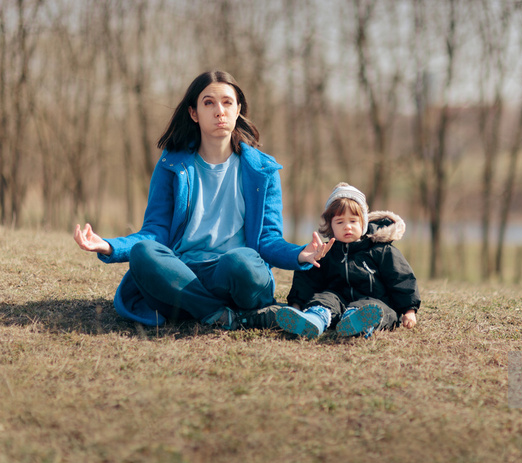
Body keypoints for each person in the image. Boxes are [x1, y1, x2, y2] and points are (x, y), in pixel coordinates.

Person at [74, 70, 332, 329]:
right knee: (144, 253)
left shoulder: (262, 171)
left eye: (227, 102)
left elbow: (268, 240)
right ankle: (224, 315)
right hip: (181, 276)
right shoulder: (171, 165)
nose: (219, 111)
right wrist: (109, 246)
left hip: (233, 277)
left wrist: (300, 254)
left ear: (238, 108)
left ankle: (200, 309)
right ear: (193, 113)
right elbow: (155, 232)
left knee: (241, 261)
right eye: (208, 103)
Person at [276, 182, 420, 338]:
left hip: (374, 301)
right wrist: (297, 304)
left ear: (363, 223)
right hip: (337, 300)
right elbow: (307, 280)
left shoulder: (381, 250)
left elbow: (401, 279)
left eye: (353, 221)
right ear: (330, 225)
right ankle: (313, 320)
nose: (347, 227)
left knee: (377, 309)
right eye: (340, 222)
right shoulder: (326, 251)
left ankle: (358, 322)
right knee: (324, 299)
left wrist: (409, 310)